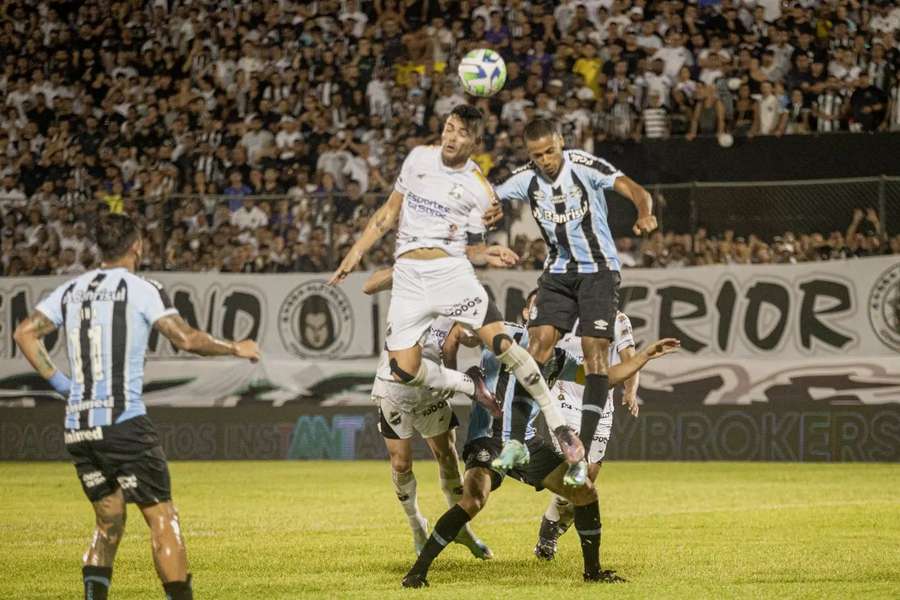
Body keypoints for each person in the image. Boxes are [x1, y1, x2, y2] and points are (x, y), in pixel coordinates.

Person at [12, 214, 261, 600]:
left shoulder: (70, 290)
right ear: (137, 245)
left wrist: (64, 386)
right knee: (162, 518)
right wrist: (236, 348)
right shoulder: (142, 288)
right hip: (123, 423)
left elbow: (24, 332)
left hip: (79, 426)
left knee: (108, 523)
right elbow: (186, 339)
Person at [329, 105, 586, 467]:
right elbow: (387, 214)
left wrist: (486, 252)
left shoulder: (479, 187)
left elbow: (475, 240)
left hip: (450, 274)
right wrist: (355, 253)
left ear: (475, 141)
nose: (451, 136)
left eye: (462, 133)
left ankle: (559, 426)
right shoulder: (418, 159)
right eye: (449, 128)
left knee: (505, 346)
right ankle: (470, 386)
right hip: (409, 279)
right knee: (403, 370)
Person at [400, 316, 680, 588]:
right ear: (530, 317)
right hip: (489, 438)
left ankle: (593, 573)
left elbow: (601, 380)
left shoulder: (557, 359)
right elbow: (459, 330)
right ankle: (417, 573)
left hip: (528, 442)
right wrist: (452, 369)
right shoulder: (501, 332)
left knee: (585, 491)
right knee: (474, 500)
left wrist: (644, 356)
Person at [492, 117, 656, 486]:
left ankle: (579, 453)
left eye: (550, 151)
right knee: (537, 347)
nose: (546, 159)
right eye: (538, 155)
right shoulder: (527, 178)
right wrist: (487, 210)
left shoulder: (584, 165)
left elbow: (634, 189)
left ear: (561, 143)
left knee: (595, 353)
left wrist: (645, 213)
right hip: (559, 272)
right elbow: (491, 195)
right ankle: (515, 440)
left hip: (599, 272)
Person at [362, 269, 492, 560]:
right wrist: (407, 265)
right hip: (394, 391)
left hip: (431, 392)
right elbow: (368, 285)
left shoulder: (453, 305)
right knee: (401, 462)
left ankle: (460, 528)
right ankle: (416, 524)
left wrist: (473, 333)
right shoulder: (408, 288)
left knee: (447, 456)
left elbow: (457, 343)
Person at [535, 308, 640, 560]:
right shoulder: (562, 315)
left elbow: (630, 360)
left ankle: (553, 522)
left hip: (601, 406)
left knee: (588, 478)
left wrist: (630, 391)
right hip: (562, 403)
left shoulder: (618, 319)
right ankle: (549, 531)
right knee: (577, 470)